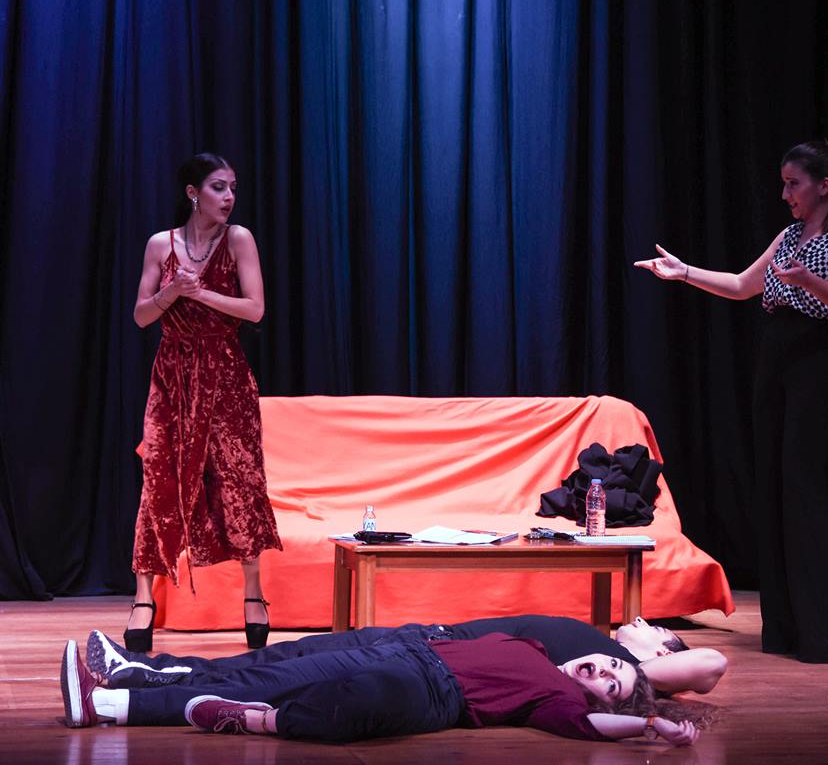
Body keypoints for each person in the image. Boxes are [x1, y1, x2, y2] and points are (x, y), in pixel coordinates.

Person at [635, 139, 828, 664]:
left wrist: (809, 281)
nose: (785, 194)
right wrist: (685, 272)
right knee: (773, 483)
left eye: (793, 184)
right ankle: (786, 629)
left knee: (803, 483)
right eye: (783, 183)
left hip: (820, 358)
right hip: (778, 355)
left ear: (824, 185)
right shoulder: (789, 236)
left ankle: (825, 634)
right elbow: (745, 284)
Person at [128, 153, 283, 652]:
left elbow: (255, 309)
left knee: (239, 480)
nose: (229, 196)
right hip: (172, 376)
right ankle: (143, 598)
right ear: (193, 193)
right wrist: (173, 290)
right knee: (159, 477)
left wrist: (199, 295)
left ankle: (253, 593)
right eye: (219, 187)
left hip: (225, 374)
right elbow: (141, 316)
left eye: (233, 187)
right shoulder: (161, 244)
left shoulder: (238, 239)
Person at [60, 634, 700, 746]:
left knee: (341, 704)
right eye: (609, 665)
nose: (601, 674)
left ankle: (106, 705)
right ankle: (124, 684)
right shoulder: (537, 648)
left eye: (611, 686)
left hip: (430, 690)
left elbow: (593, 729)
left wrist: (650, 724)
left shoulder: (560, 703)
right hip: (405, 650)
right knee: (267, 674)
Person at [84, 614, 727, 697]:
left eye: (653, 628)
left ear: (663, 650)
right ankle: (150, 669)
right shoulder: (603, 649)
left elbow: (712, 666)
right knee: (290, 654)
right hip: (423, 637)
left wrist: (649, 664)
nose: (640, 620)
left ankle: (141, 680)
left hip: (426, 657)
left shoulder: (620, 665)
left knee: (282, 674)